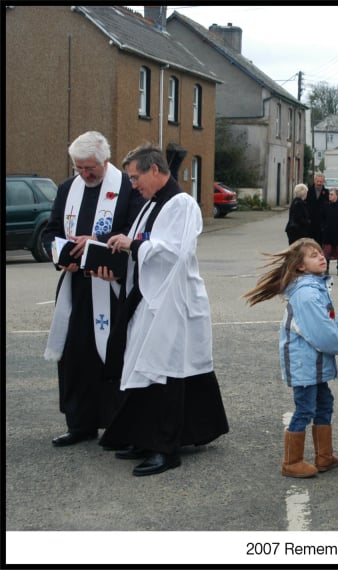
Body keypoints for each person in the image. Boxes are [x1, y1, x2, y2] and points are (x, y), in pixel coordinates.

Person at [98, 144, 229, 477]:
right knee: (142, 368)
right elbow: (141, 243)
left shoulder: (181, 204)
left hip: (174, 302)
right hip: (150, 299)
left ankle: (165, 448)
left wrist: (135, 245)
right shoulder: (150, 205)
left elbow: (177, 252)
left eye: (135, 177)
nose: (132, 185)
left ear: (154, 170)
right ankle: (144, 437)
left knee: (166, 371)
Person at [42, 131, 146, 447]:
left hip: (111, 286)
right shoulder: (67, 189)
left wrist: (97, 244)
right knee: (76, 355)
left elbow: (134, 230)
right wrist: (59, 256)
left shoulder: (127, 189)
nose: (85, 175)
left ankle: (119, 425)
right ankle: (80, 423)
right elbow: (52, 230)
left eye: (91, 168)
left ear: (105, 161)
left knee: (113, 354)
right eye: (79, 169)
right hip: (77, 286)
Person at [242, 238, 338, 477]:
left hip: (314, 365)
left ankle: (323, 456)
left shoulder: (316, 288)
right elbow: (322, 334)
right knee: (305, 410)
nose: (321, 256)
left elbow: (326, 318)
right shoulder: (306, 294)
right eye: (313, 255)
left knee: (325, 404)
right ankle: (291, 461)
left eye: (321, 252)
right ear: (300, 266)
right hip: (304, 365)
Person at [306, 172, 330, 245]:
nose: (319, 183)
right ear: (314, 181)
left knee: (320, 243)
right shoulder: (308, 191)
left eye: (321, 181)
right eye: (317, 181)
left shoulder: (326, 192)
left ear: (323, 182)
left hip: (321, 222)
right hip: (310, 221)